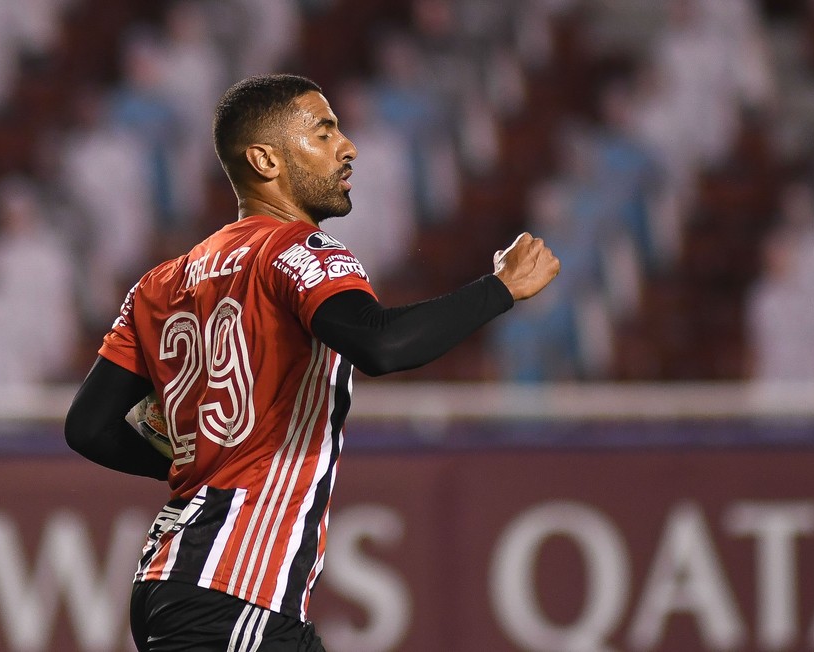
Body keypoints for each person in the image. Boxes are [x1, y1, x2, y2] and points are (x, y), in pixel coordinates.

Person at [64, 73, 559, 651]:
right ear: (265, 160)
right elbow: (380, 344)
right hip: (237, 583)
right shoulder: (297, 250)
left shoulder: (159, 284)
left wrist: (194, 467)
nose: (347, 147)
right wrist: (500, 289)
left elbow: (89, 426)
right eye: (324, 133)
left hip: (187, 577)